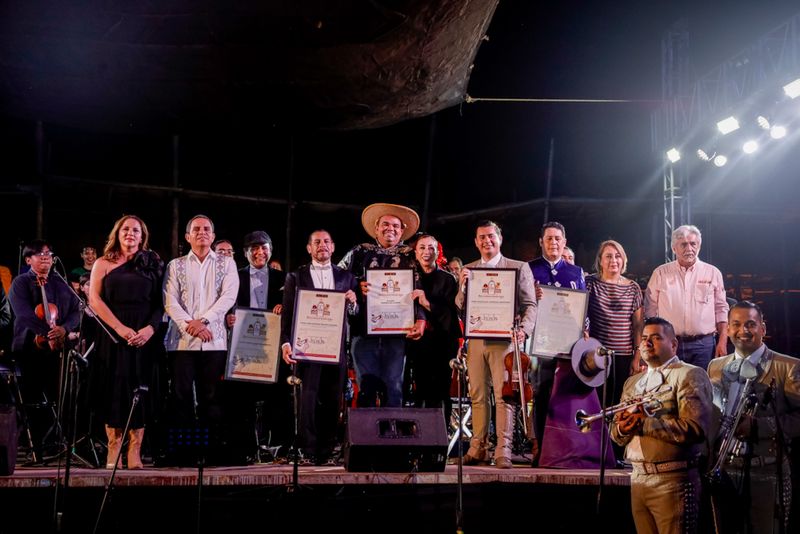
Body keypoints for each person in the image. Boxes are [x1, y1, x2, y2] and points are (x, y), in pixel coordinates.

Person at [610, 317, 713, 534]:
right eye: (644, 338)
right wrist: (622, 429)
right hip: (637, 479)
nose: (647, 343)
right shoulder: (632, 382)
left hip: (673, 480)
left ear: (673, 344)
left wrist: (645, 424)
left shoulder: (689, 374)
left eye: (656, 338)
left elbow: (695, 430)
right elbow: (615, 435)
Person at [707, 301, 800, 533]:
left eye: (751, 324)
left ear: (763, 329)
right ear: (727, 329)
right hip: (725, 472)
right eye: (736, 325)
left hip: (766, 472)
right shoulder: (715, 367)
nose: (743, 331)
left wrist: (759, 427)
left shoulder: (788, 366)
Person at [455, 220, 537, 468]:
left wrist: (523, 330)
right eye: (481, 237)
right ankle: (478, 447)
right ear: (476, 241)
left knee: (504, 396)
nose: (486, 241)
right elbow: (460, 307)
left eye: (491, 236)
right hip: (477, 339)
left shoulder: (518, 267)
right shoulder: (468, 269)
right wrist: (462, 286)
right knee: (477, 395)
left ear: (499, 238)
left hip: (505, 339)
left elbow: (530, 305)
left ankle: (504, 450)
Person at [88, 215, 164, 469]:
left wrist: (150, 329)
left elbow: (160, 303)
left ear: (142, 236)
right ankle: (114, 447)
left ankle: (135, 450)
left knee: (140, 388)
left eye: (135, 230)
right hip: (114, 334)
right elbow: (95, 300)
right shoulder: (103, 262)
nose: (130, 233)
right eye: (125, 229)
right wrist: (120, 329)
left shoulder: (152, 263)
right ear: (117, 233)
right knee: (114, 389)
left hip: (144, 336)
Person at [280, 230, 359, 465]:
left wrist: (354, 303)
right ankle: (309, 448)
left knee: (334, 398)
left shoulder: (347, 277)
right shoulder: (296, 276)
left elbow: (356, 315)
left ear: (333, 247)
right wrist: (286, 343)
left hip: (335, 348)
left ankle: (328, 447)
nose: (322, 246)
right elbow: (288, 314)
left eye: (326, 242)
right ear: (309, 248)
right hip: (307, 348)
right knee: (309, 398)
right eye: (317, 242)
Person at [339, 202, 426, 408]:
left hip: (398, 332)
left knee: (394, 386)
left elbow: (421, 288)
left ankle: (392, 436)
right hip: (363, 331)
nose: (391, 229)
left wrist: (421, 318)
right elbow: (337, 278)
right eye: (385, 224)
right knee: (365, 386)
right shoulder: (359, 253)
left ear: (402, 230)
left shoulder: (410, 256)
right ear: (376, 228)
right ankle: (365, 439)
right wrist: (356, 285)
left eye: (396, 226)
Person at [163, 215, 239, 435]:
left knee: (212, 395)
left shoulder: (227, 263)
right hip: (181, 342)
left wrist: (204, 321)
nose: (202, 232)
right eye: (196, 229)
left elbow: (228, 297)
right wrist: (190, 324)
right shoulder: (175, 265)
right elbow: (169, 299)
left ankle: (211, 449)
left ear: (213, 236)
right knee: (181, 394)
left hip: (213, 340)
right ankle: (183, 449)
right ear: (188, 236)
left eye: (207, 229)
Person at [8, 240, 81, 455]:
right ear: (28, 259)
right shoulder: (20, 282)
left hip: (58, 348)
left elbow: (77, 310)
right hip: (29, 348)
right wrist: (46, 332)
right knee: (33, 397)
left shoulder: (60, 282)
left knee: (59, 396)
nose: (45, 257)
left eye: (49, 253)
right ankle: (36, 445)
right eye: (39, 254)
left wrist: (64, 329)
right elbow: (23, 314)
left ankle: (57, 443)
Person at [226, 230, 289, 453]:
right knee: (243, 398)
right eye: (254, 248)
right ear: (245, 253)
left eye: (264, 248)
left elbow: (292, 308)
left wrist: (285, 309)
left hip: (272, 346)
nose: (259, 252)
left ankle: (277, 445)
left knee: (276, 397)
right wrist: (228, 317)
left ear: (270, 251)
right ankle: (245, 447)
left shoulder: (284, 278)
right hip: (243, 345)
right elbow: (225, 306)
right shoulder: (234, 276)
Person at [645, 224, 729, 371]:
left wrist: (722, 341)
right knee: (668, 389)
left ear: (699, 246)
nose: (689, 249)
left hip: (704, 345)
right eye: (683, 244)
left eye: (693, 244)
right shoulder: (660, 273)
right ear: (673, 248)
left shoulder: (713, 273)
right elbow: (650, 311)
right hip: (668, 344)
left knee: (700, 389)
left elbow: (721, 309)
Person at [407, 234, 462, 425]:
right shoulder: (409, 277)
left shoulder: (448, 279)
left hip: (443, 343)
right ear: (415, 252)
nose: (426, 252)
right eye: (422, 248)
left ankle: (439, 441)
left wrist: (426, 302)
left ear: (438, 252)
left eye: (431, 248)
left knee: (440, 391)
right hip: (417, 342)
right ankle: (419, 437)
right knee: (420, 390)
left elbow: (450, 314)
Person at [585, 240, 644, 407]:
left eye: (618, 256)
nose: (613, 260)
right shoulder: (589, 283)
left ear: (624, 260)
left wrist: (637, 357)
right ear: (600, 261)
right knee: (596, 404)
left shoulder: (633, 288)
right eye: (608, 256)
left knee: (619, 403)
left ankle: (614, 434)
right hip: (596, 355)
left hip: (623, 357)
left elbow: (638, 326)